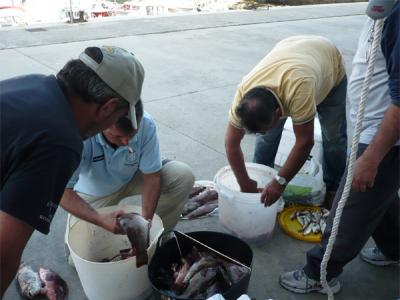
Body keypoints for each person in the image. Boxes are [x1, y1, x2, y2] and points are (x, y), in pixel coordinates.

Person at [0, 45, 144, 296]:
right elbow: (2, 255)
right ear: (108, 108)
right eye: (118, 116)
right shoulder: (59, 142)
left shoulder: (35, 84)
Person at [279, 2, 399, 295]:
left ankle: (320, 273)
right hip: (369, 131)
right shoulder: (386, 8)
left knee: (349, 208)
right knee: (378, 195)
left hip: (382, 139)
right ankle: (395, 247)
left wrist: (370, 157)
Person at [225, 35, 347, 207]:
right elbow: (231, 145)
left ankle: (334, 188)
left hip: (328, 62)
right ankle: (261, 181)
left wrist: (280, 182)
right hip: (291, 49)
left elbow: (304, 142)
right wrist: (245, 183)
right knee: (267, 139)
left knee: (334, 137)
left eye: (264, 128)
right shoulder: (244, 95)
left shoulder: (299, 89)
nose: (263, 133)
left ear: (279, 112)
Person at [62, 102, 194, 258]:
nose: (126, 142)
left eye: (132, 135)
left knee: (182, 176)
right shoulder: (79, 135)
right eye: (118, 136)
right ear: (102, 125)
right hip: (94, 192)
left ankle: (155, 238)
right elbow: (62, 193)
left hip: (132, 175)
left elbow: (152, 176)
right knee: (76, 258)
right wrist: (100, 219)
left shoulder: (146, 123)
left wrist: (145, 224)